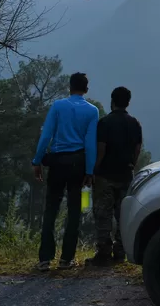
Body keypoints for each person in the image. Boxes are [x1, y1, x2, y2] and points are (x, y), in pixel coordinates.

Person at [32, 72, 99, 271]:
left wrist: (37, 161)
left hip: (57, 163)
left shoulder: (58, 106)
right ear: (86, 89)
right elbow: (90, 143)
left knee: (51, 209)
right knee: (74, 211)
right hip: (78, 164)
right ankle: (66, 259)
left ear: (69, 87)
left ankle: (45, 258)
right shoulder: (92, 111)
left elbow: (46, 136)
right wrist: (89, 170)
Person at [90, 85, 143, 266]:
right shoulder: (135, 123)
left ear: (112, 101)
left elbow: (101, 150)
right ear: (127, 103)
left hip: (105, 175)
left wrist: (94, 170)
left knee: (103, 214)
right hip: (126, 175)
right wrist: (132, 165)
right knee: (123, 215)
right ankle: (120, 251)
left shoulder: (104, 123)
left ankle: (104, 252)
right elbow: (137, 149)